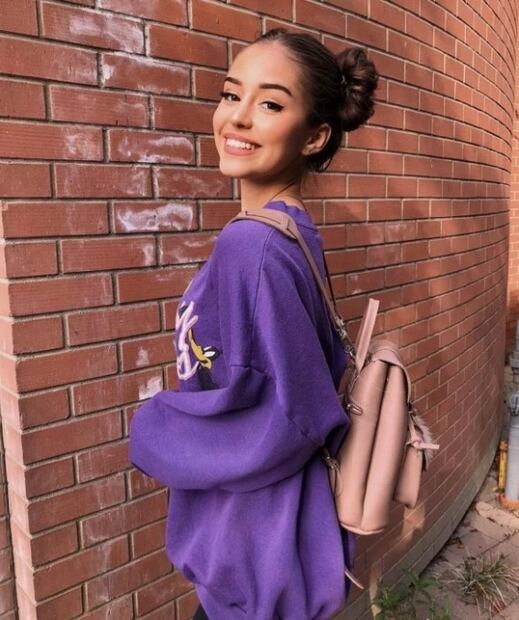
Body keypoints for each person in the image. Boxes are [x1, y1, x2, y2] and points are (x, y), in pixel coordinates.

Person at [129, 27, 378, 620]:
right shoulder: (290, 228)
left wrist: (154, 428)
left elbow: (289, 416)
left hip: (252, 565)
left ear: (314, 135)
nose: (237, 117)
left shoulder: (254, 248)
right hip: (266, 553)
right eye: (230, 94)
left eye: (269, 104)